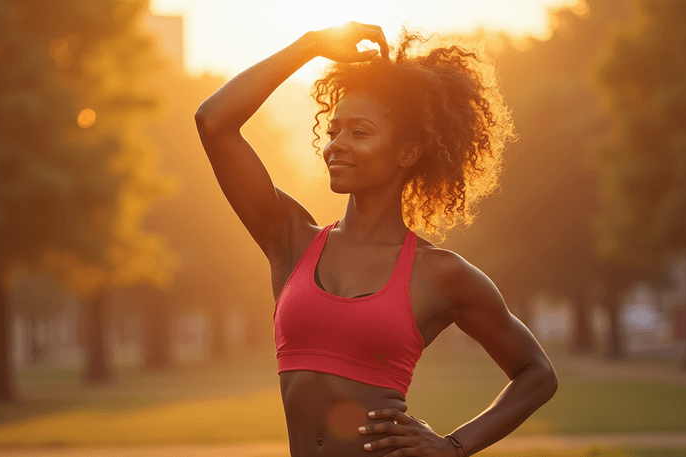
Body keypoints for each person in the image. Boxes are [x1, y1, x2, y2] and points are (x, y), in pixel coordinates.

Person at [195, 21, 557, 457]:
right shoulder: (291, 240)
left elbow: (536, 373)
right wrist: (310, 45)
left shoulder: (440, 273)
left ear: (407, 152)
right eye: (333, 131)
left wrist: (455, 447)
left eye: (359, 132)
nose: (336, 146)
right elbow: (213, 123)